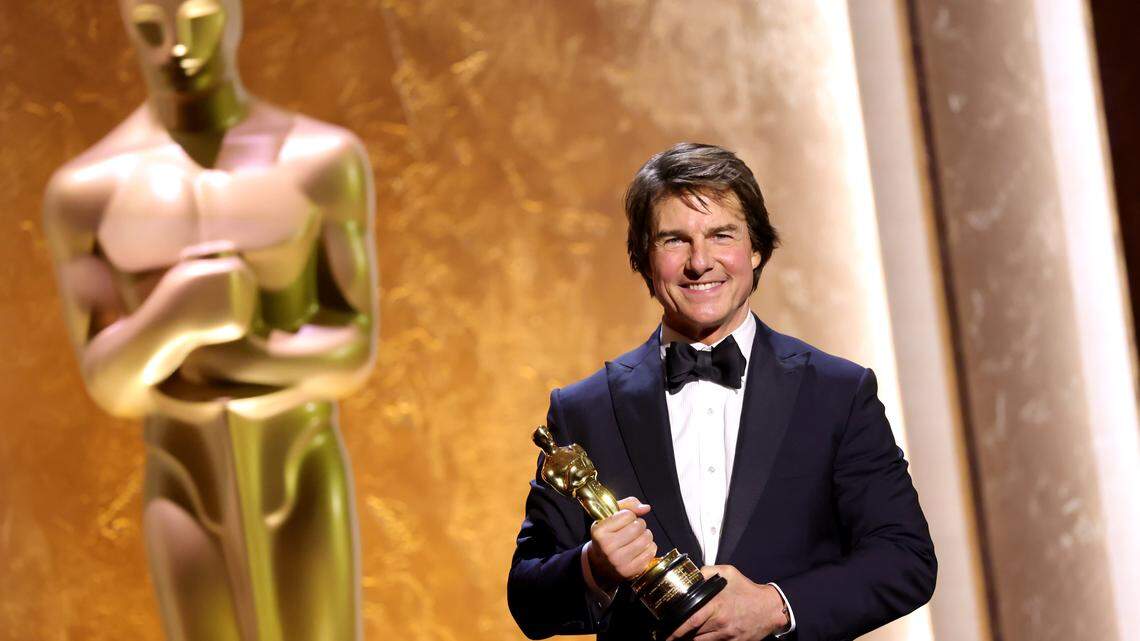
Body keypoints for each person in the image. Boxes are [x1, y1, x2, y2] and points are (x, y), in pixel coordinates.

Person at [42, 0, 376, 639]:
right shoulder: (87, 191)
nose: (176, 47)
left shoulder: (321, 160)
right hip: (181, 471)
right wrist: (174, 314)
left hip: (299, 463)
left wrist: (230, 357)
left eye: (197, 20)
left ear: (233, 14)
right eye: (149, 26)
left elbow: (353, 347)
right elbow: (107, 383)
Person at [507, 143, 936, 640]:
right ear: (644, 260)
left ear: (755, 249)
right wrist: (593, 567)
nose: (699, 261)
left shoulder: (838, 393)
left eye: (721, 235)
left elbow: (905, 559)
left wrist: (776, 606)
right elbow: (527, 598)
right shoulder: (584, 409)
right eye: (674, 240)